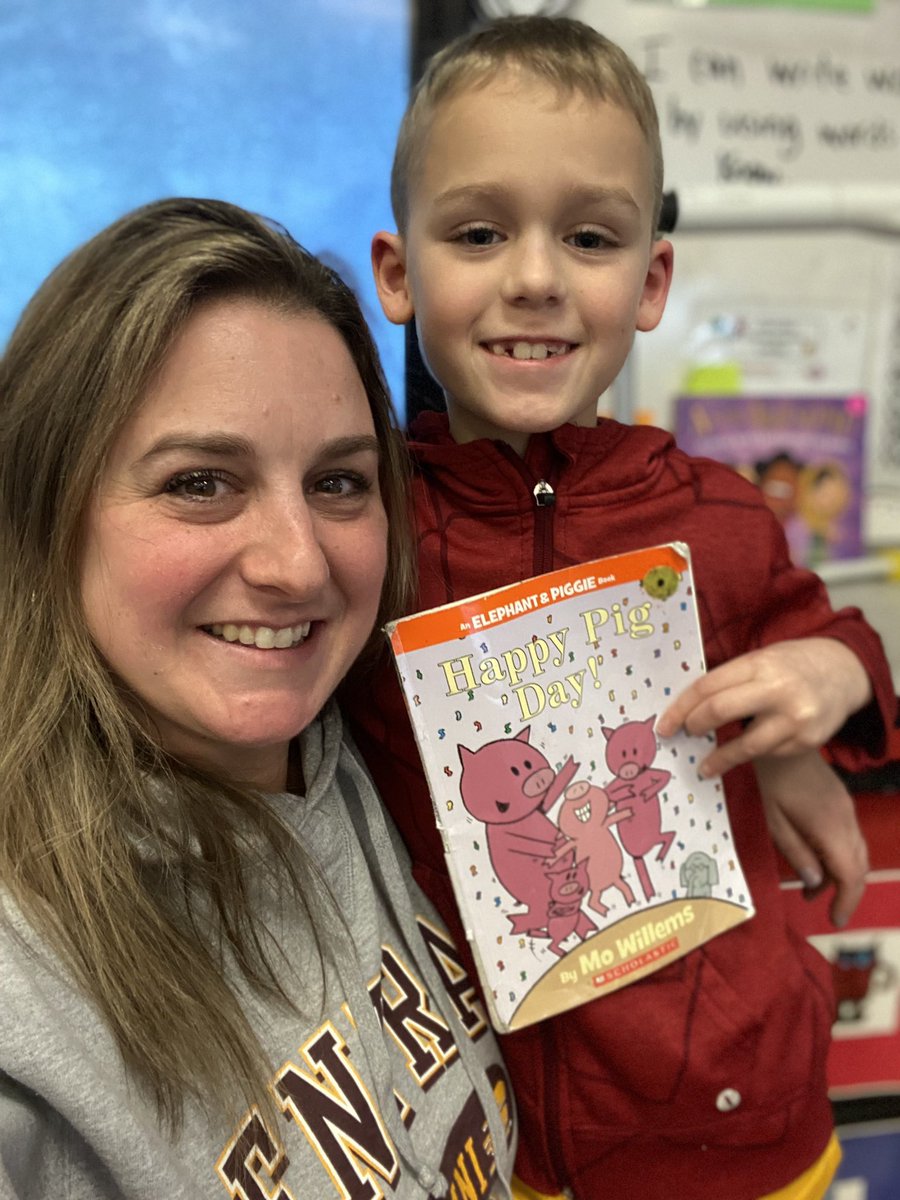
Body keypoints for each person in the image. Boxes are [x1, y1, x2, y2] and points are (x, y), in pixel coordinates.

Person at [342, 15, 898, 1200]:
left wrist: (829, 682)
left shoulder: (723, 515)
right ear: (399, 273)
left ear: (650, 281)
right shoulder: (363, 531)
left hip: (753, 1122)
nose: (535, 276)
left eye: (587, 237)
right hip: (498, 1142)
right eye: (480, 232)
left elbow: (841, 641)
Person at [0, 197, 517, 1198]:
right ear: (43, 509)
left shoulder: (394, 749)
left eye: (338, 483)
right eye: (202, 482)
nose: (296, 564)